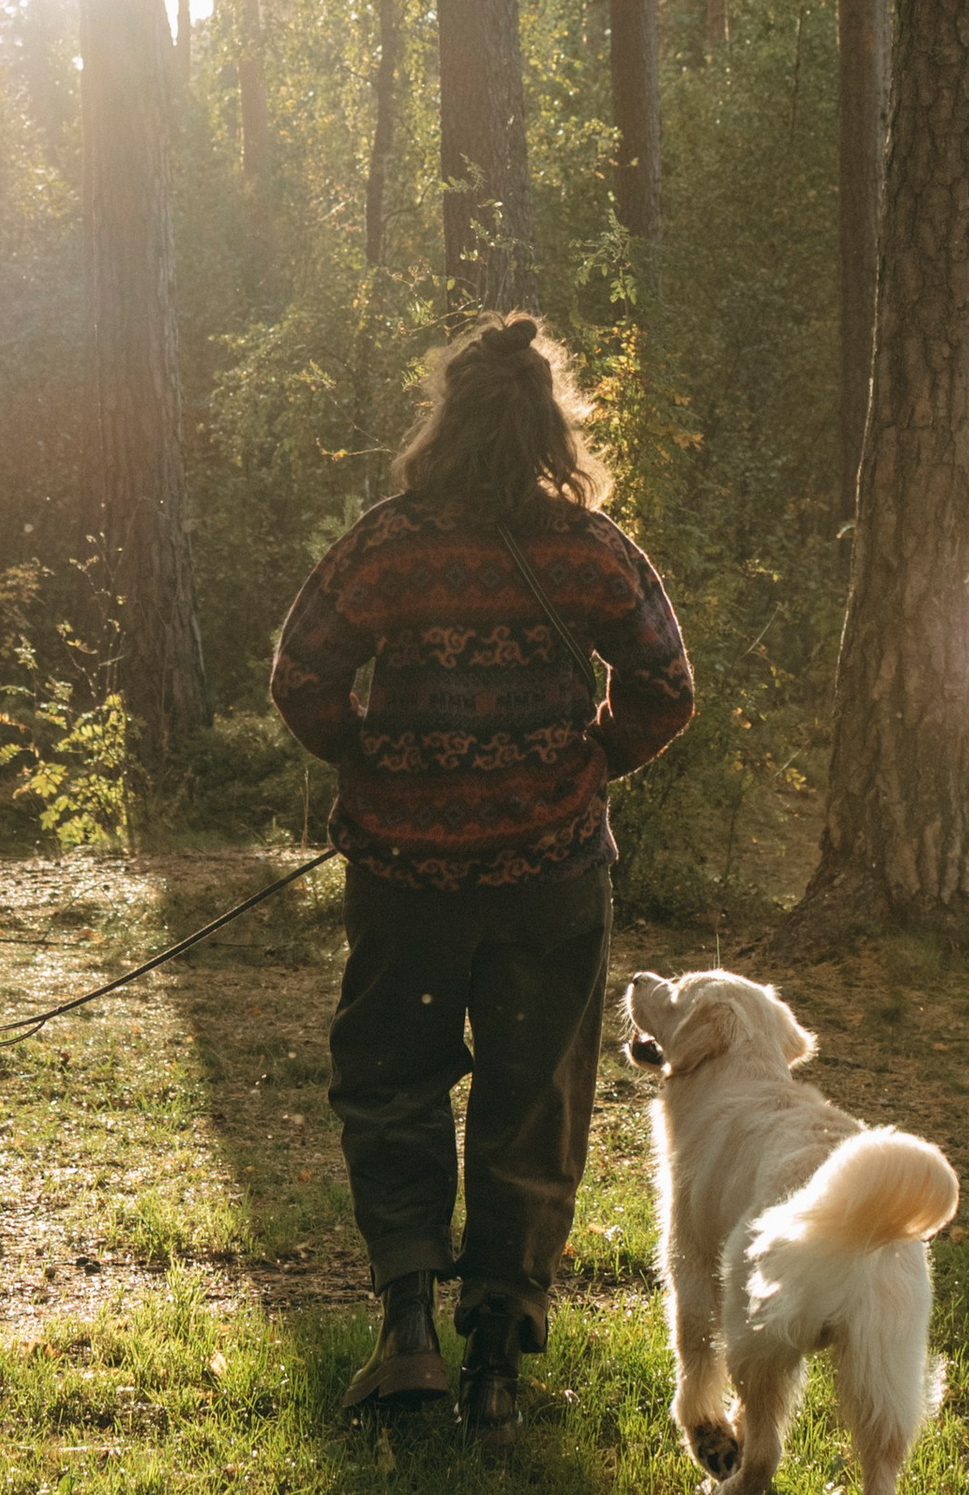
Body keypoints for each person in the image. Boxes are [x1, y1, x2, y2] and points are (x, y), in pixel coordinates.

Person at [269, 313, 695, 1436]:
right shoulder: (592, 550)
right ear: (552, 427)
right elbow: (665, 682)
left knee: (391, 1082)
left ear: (445, 420)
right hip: (549, 878)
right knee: (533, 1098)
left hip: (405, 879)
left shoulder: (386, 543)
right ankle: (496, 1359)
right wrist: (594, 756)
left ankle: (408, 1326)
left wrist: (362, 755)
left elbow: (301, 669)